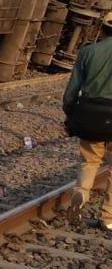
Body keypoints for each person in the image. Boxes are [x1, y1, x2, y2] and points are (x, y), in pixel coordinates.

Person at [64, 12, 112, 231]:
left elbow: (72, 91)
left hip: (91, 113)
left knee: (90, 161)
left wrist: (70, 115)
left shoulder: (87, 52)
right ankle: (108, 218)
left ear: (102, 29)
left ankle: (81, 196)